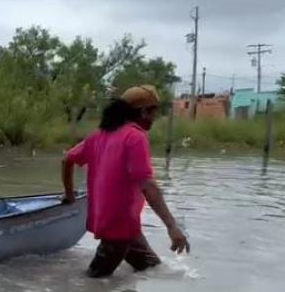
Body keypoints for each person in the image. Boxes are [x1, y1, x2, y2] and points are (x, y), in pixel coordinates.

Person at [61, 85, 190, 278]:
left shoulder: (99, 135)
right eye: (154, 112)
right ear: (143, 111)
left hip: (122, 224)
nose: (155, 117)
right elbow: (148, 186)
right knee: (93, 283)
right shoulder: (135, 137)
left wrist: (70, 195)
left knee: (152, 269)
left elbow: (67, 160)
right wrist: (172, 226)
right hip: (119, 227)